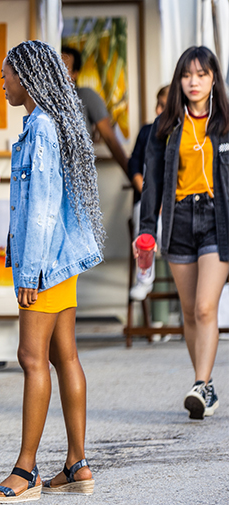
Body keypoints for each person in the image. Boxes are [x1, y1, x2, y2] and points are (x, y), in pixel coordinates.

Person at [0, 40, 105, 503]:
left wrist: (30, 273)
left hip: (46, 262)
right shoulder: (55, 124)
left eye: (7, 74)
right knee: (64, 356)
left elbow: (40, 212)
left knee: (31, 358)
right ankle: (77, 464)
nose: (2, 82)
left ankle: (25, 470)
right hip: (62, 261)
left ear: (28, 78)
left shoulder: (41, 129)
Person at [138, 46, 227, 420]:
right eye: (188, 75)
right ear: (179, 81)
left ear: (212, 79)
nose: (194, 82)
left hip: (217, 220)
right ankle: (204, 388)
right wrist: (146, 230)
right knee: (189, 311)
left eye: (201, 75)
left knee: (206, 307)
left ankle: (200, 382)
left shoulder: (225, 122)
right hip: (178, 221)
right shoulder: (165, 128)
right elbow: (153, 184)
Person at [61, 46, 134, 188]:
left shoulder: (86, 96)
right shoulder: (45, 101)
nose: (59, 72)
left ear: (75, 74)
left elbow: (110, 138)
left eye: (65, 68)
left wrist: (133, 178)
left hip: (77, 179)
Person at [127, 85, 169, 301]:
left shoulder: (183, 134)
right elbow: (133, 165)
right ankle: (144, 277)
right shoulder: (146, 132)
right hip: (146, 200)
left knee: (169, 231)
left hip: (174, 204)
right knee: (147, 226)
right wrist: (149, 195)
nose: (158, 110)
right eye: (158, 104)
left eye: (163, 105)